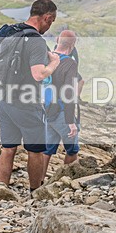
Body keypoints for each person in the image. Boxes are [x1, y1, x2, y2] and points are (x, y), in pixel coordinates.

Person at [0, 0, 60, 192]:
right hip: (26, 102)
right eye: (51, 22)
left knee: (8, 148)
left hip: (4, 98)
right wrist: (54, 63)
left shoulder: (10, 31)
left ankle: (0, 190)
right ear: (47, 17)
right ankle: (35, 192)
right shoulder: (36, 40)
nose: (49, 26)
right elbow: (39, 74)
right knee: (35, 150)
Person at [43, 30, 84, 168]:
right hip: (61, 113)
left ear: (57, 41)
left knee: (46, 151)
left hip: (46, 111)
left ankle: (38, 184)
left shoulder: (47, 58)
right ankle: (68, 182)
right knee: (72, 150)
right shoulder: (69, 64)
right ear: (72, 46)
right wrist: (70, 122)